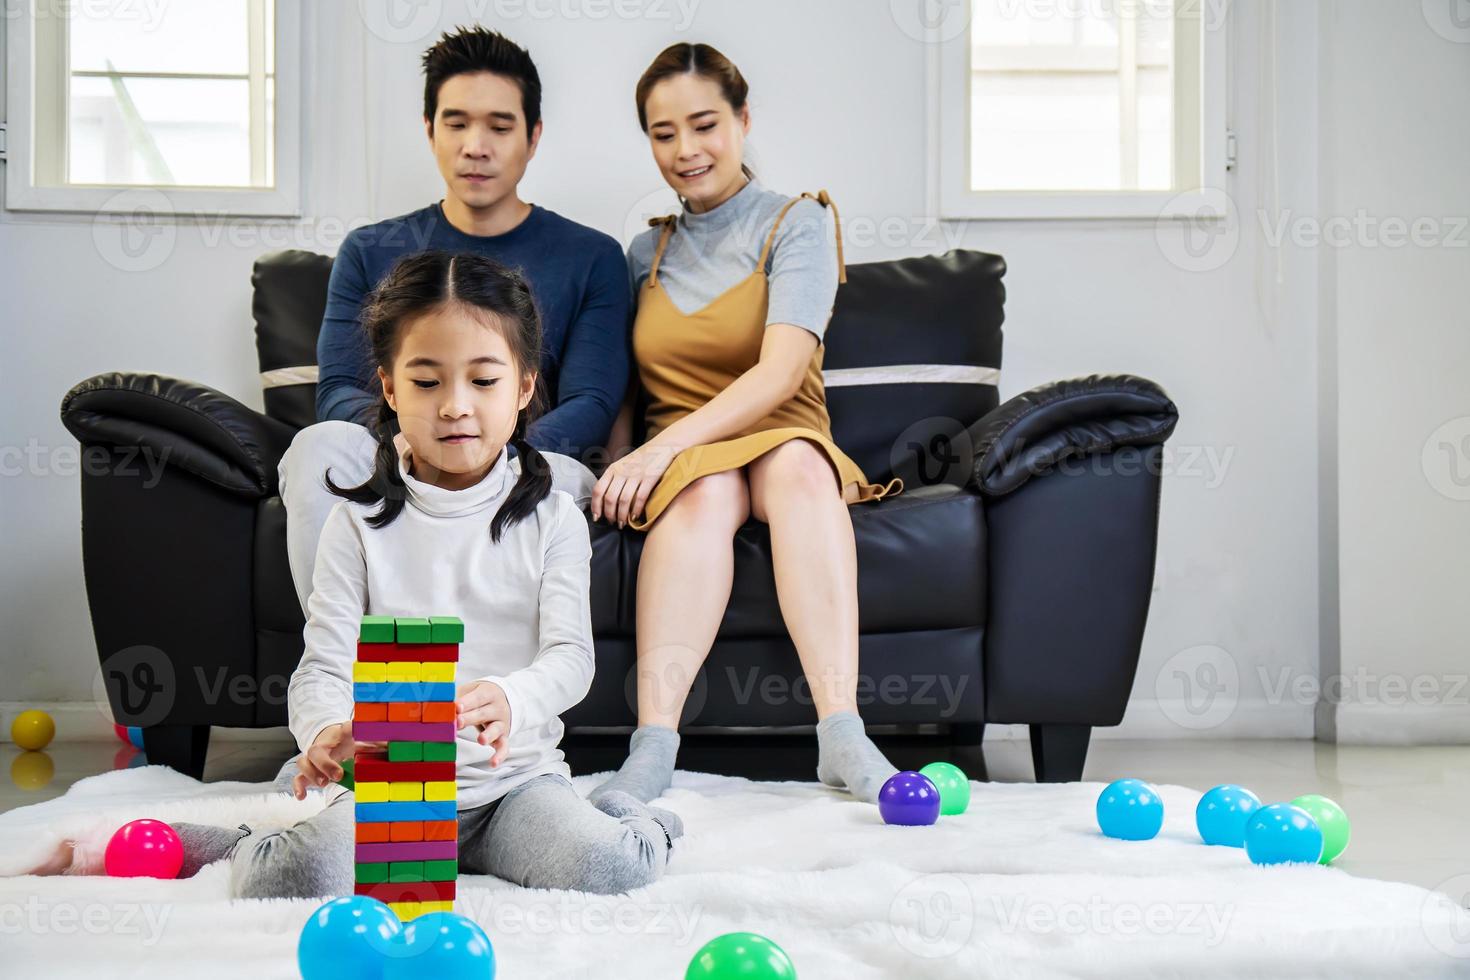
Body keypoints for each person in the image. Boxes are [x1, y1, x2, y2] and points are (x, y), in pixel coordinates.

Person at [31, 252, 681, 894]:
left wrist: (515, 698)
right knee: (296, 874)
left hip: (511, 790)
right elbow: (323, 667)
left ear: (524, 386)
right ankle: (235, 840)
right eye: (427, 382)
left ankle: (630, 810)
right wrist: (324, 729)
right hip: (388, 789)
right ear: (391, 388)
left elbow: (571, 658)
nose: (456, 406)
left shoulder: (552, 518)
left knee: (616, 868)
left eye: (483, 381)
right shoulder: (357, 521)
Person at [588, 44, 905, 807]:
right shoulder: (643, 251)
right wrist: (619, 462)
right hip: (692, 457)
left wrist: (663, 449)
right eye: (664, 134)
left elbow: (780, 372)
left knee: (796, 467)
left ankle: (841, 735)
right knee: (700, 493)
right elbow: (629, 385)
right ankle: (654, 747)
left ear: (743, 119)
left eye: (705, 124)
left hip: (781, 427)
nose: (686, 150)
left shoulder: (800, 222)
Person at [282, 25, 631, 613]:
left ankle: (496, 688)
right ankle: (348, 674)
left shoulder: (593, 256)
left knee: (571, 479)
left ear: (533, 136)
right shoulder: (370, 248)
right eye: (457, 123)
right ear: (429, 130)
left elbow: (592, 400)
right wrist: (421, 444)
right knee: (318, 448)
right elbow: (339, 388)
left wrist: (481, 452)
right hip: (396, 450)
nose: (477, 145)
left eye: (499, 126)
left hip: (524, 461)